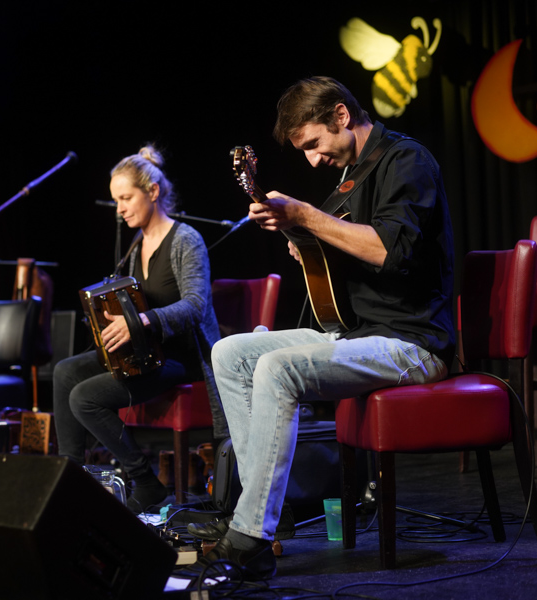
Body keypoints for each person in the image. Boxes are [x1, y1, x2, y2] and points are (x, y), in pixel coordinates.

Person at [187, 77, 455, 579]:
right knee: (229, 353)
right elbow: (335, 257)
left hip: (412, 342)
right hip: (354, 334)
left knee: (275, 369)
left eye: (313, 144)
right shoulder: (347, 180)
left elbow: (386, 250)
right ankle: (264, 515)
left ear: (340, 115)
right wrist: (301, 237)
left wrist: (308, 217)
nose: (312, 159)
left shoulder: (407, 161)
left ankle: (249, 536)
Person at [53, 146, 226, 514]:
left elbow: (196, 306)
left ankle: (146, 484)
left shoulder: (185, 239)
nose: (119, 209)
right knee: (65, 371)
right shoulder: (136, 246)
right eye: (116, 200)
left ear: (153, 191)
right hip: (148, 351)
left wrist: (140, 322)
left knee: (84, 398)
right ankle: (70, 477)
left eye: (126, 198)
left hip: (182, 357)